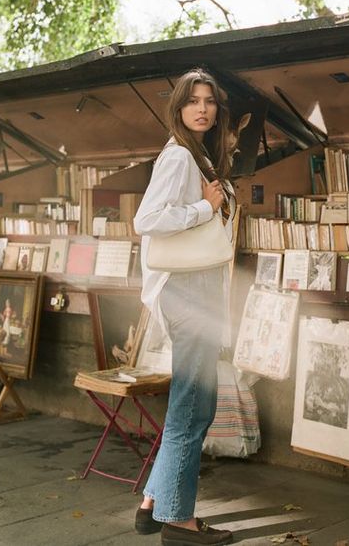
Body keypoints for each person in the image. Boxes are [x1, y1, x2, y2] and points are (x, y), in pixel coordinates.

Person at [133, 68, 235, 546]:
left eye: (209, 101)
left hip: (196, 290)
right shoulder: (178, 158)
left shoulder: (198, 156)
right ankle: (179, 521)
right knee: (193, 408)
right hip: (189, 291)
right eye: (192, 101)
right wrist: (205, 209)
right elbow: (147, 219)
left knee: (191, 404)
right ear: (178, 109)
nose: (202, 108)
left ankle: (153, 503)